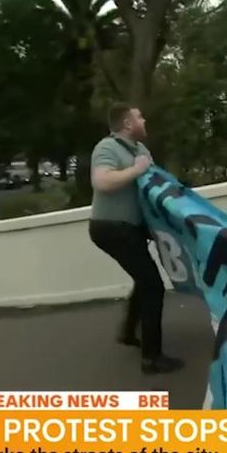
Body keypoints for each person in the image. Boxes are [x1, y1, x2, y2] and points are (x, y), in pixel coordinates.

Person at [89, 102, 184, 375]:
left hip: (132, 227)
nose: (144, 120)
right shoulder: (107, 148)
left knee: (144, 279)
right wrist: (137, 169)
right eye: (139, 116)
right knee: (152, 284)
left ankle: (129, 332)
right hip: (110, 228)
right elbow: (102, 182)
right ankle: (151, 359)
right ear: (128, 124)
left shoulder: (141, 150)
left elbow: (152, 184)